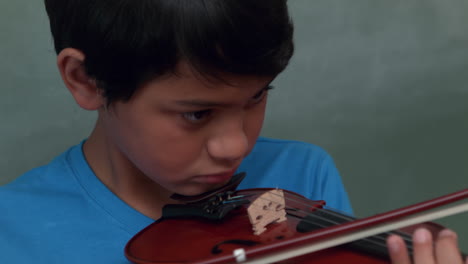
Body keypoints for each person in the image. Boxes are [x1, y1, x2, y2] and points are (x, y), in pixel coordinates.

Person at [0, 0, 464, 263]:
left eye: (257, 97)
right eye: (197, 114)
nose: (237, 145)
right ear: (86, 80)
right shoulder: (13, 231)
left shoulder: (303, 174)